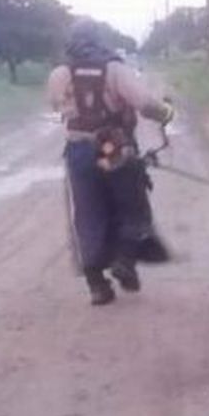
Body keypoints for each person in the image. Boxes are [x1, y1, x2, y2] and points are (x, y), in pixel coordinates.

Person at [48, 20, 175, 306]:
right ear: (99, 40)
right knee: (132, 206)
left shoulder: (60, 73)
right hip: (114, 147)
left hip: (79, 150)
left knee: (89, 213)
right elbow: (144, 104)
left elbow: (57, 106)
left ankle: (97, 285)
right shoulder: (115, 69)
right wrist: (166, 112)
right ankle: (125, 261)